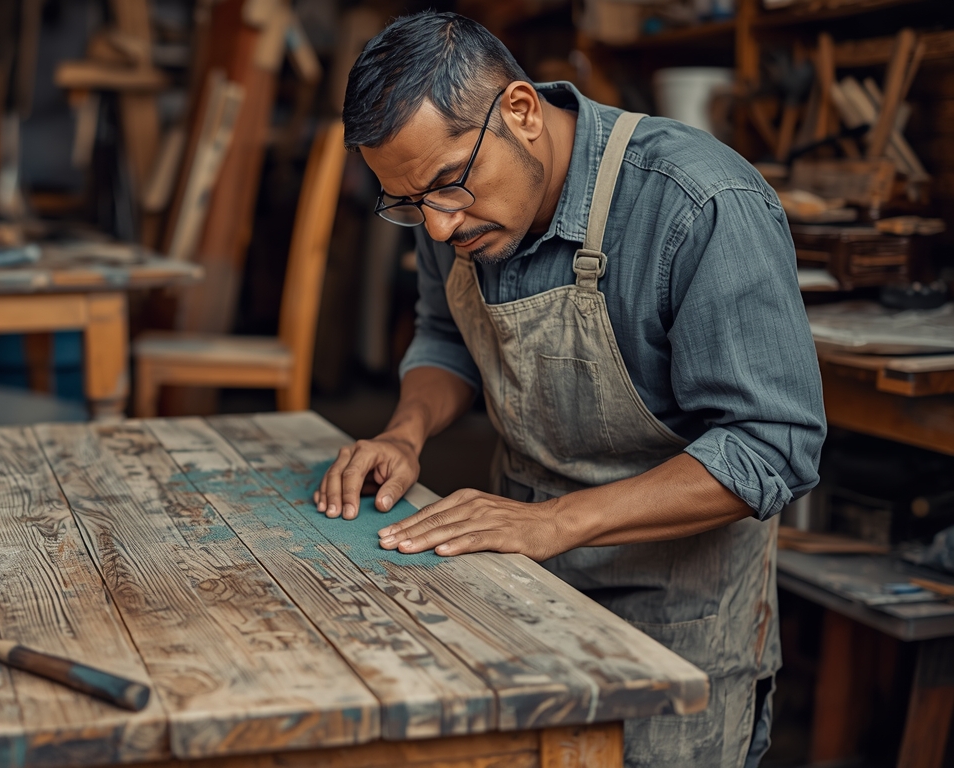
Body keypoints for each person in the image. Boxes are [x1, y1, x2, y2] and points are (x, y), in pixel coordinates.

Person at [315, 11, 826, 768]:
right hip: (512, 587)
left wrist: (553, 523)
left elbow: (771, 446)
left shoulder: (697, 203)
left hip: (674, 623)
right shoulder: (449, 215)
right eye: (409, 204)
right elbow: (444, 336)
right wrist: (406, 431)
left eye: (448, 187)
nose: (441, 226)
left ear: (520, 111)